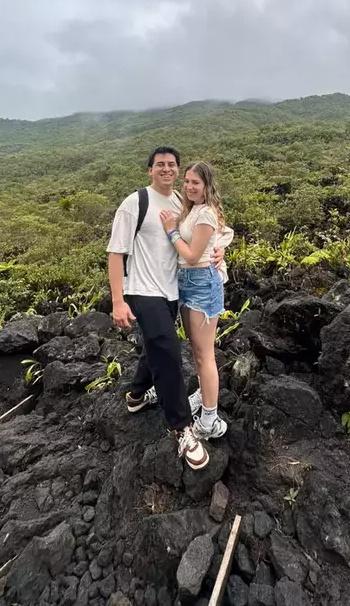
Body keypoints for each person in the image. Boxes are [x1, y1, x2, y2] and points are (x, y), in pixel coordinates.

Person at [106, 147, 223, 471]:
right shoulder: (135, 204)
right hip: (143, 291)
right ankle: (183, 429)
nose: (167, 170)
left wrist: (218, 253)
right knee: (169, 352)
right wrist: (118, 301)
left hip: (173, 290)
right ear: (150, 170)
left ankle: (137, 395)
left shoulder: (180, 203)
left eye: (172, 165)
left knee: (156, 345)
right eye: (161, 165)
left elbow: (204, 232)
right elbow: (116, 253)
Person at [160, 161, 232, 442]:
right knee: (197, 352)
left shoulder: (206, 214)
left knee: (205, 355)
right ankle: (204, 397)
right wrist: (221, 248)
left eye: (196, 183)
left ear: (207, 185)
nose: (189, 187)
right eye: (187, 181)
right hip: (187, 284)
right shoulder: (192, 209)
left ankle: (209, 420)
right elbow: (225, 234)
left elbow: (191, 255)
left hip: (202, 283)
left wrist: (170, 230)